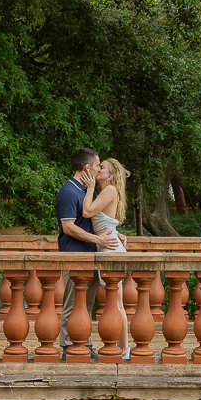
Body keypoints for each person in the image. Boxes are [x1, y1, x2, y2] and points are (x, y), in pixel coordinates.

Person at [54, 148, 126, 359]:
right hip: (74, 255)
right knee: (71, 303)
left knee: (86, 304)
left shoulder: (88, 190)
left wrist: (115, 233)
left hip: (91, 255)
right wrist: (99, 240)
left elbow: (95, 219)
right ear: (87, 167)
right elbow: (69, 227)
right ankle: (68, 347)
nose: (98, 169)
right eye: (97, 165)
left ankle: (84, 343)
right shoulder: (69, 192)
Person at [83, 158, 131, 358]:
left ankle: (125, 349)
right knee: (113, 301)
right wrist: (116, 231)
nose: (98, 168)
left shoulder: (109, 190)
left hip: (110, 249)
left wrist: (89, 188)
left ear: (111, 175)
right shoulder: (104, 191)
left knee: (116, 302)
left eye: (102, 167)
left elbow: (86, 212)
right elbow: (106, 220)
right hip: (107, 245)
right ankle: (122, 348)